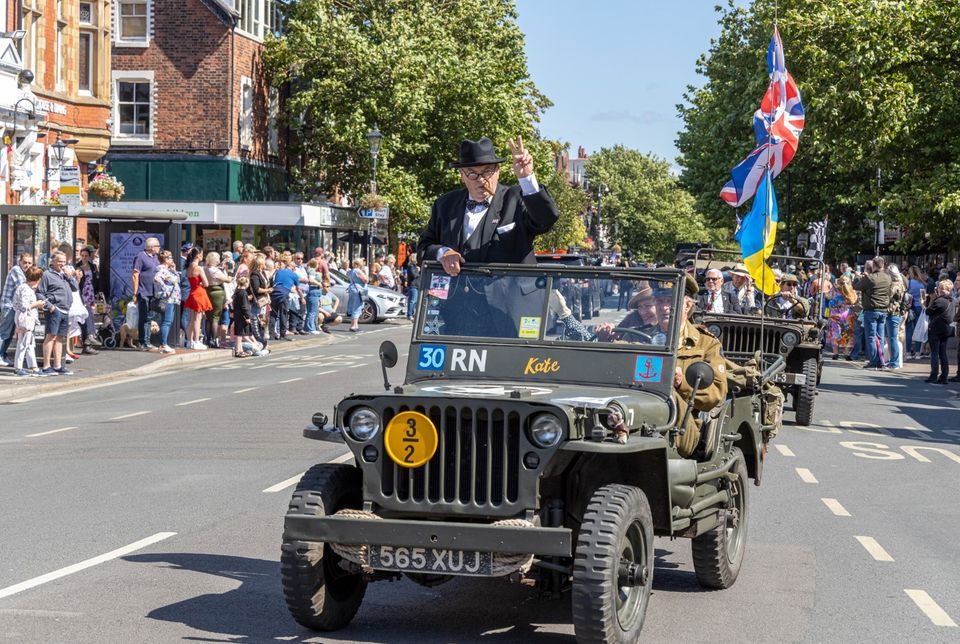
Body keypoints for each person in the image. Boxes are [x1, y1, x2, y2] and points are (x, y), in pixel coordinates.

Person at [418, 136, 559, 275]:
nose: (481, 180)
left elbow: (546, 220)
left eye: (487, 171)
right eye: (472, 174)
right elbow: (423, 248)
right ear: (462, 175)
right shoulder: (445, 205)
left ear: (498, 171)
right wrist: (443, 253)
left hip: (509, 296)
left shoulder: (517, 198)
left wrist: (526, 177)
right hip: (460, 296)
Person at [673, 275, 728, 458]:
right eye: (658, 301)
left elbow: (716, 394)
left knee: (666, 392)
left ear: (687, 306)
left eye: (669, 301)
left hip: (683, 427)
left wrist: (682, 384)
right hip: (634, 418)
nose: (663, 307)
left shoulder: (706, 343)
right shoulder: (641, 336)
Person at [37, 251, 78, 375]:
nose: (62, 264)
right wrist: (50, 307)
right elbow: (39, 292)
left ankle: (58, 365)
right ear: (52, 261)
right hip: (55, 310)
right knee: (51, 336)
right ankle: (46, 366)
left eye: (64, 262)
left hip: (65, 309)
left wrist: (69, 276)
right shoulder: (47, 275)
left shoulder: (64, 274)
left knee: (60, 338)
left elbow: (75, 288)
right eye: (60, 261)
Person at [853, 256, 893, 370]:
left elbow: (856, 287)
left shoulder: (870, 278)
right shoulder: (888, 277)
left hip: (871, 310)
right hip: (883, 310)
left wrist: (857, 277)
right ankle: (880, 361)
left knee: (870, 336)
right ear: (883, 265)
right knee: (879, 337)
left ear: (874, 265)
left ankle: (873, 361)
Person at [1, 253, 34, 366]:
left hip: (15, 307)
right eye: (25, 262)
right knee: (4, 332)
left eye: (29, 263)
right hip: (9, 306)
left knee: (10, 334)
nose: (27, 265)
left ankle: (3, 355)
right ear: (20, 261)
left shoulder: (25, 272)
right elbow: (23, 285)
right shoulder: (16, 270)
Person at [12, 266, 45, 376]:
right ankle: (18, 367)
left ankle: (33, 367)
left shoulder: (24, 287)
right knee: (23, 343)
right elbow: (24, 306)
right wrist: (38, 304)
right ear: (37, 279)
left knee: (30, 343)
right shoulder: (26, 289)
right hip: (25, 318)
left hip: (24, 318)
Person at [131, 237, 162, 351]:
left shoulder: (155, 258)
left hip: (153, 292)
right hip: (143, 291)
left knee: (150, 318)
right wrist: (135, 292)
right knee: (143, 318)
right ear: (151, 247)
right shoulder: (141, 256)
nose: (159, 248)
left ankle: (148, 341)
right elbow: (135, 274)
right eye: (157, 246)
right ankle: (142, 342)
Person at [924, 279, 956, 384]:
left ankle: (933, 375)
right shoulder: (952, 300)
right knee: (943, 353)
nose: (938, 289)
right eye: (938, 287)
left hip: (936, 329)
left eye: (940, 288)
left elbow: (928, 311)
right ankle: (944, 376)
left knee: (934, 353)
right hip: (946, 329)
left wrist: (931, 300)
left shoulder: (940, 301)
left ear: (945, 290)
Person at [182, 247, 212, 350]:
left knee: (191, 319)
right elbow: (206, 283)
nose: (202, 256)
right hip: (199, 293)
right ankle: (196, 341)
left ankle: (190, 341)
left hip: (192, 292)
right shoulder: (199, 268)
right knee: (197, 319)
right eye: (202, 254)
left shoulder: (189, 267)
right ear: (198, 255)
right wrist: (201, 282)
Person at [74, 246, 101, 355]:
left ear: (89, 256)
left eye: (86, 256)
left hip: (90, 292)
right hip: (82, 293)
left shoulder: (93, 266)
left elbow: (96, 280)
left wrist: (97, 294)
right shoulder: (77, 267)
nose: (84, 258)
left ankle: (88, 342)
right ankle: (89, 337)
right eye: (83, 256)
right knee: (86, 315)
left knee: (89, 314)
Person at [270, 256, 303, 341]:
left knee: (273, 314)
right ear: (292, 267)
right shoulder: (294, 275)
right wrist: (302, 298)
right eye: (294, 267)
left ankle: (272, 335)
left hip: (274, 292)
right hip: (284, 294)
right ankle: (282, 335)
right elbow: (298, 289)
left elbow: (273, 280)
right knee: (283, 314)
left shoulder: (279, 271)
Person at [154, 250, 181, 354]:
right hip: (168, 299)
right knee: (167, 321)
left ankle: (163, 343)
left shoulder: (168, 270)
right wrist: (165, 290)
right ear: (165, 259)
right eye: (170, 258)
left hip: (171, 299)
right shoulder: (162, 270)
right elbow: (157, 279)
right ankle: (163, 344)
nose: (172, 259)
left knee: (166, 321)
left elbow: (177, 280)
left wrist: (174, 270)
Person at [202, 251, 231, 348]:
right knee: (215, 317)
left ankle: (208, 338)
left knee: (208, 316)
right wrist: (227, 271)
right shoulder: (215, 271)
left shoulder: (204, 268)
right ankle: (214, 339)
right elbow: (227, 280)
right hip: (217, 292)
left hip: (207, 291)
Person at [884, 265, 907, 370]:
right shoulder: (901, 282)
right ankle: (893, 361)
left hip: (893, 313)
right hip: (894, 313)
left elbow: (887, 297)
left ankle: (895, 362)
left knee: (893, 338)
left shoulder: (895, 285)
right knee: (890, 339)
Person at [249, 254, 271, 349]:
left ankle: (262, 340)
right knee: (256, 320)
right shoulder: (255, 274)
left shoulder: (262, 273)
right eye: (263, 262)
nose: (265, 264)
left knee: (262, 320)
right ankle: (258, 339)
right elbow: (256, 289)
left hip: (263, 300)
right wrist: (267, 290)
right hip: (257, 301)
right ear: (260, 264)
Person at [906, 265, 926, 359]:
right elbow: (923, 297)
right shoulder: (922, 283)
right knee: (918, 329)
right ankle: (918, 352)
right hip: (920, 307)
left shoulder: (909, 283)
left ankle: (908, 352)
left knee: (909, 330)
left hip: (910, 307)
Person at [232, 275, 255, 357]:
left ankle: (241, 349)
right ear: (246, 284)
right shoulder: (244, 293)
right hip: (242, 315)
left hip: (237, 314)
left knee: (240, 333)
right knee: (240, 333)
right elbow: (244, 306)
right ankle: (238, 351)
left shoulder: (237, 292)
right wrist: (248, 317)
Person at [346, 258, 368, 332]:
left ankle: (355, 325)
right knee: (357, 307)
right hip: (358, 290)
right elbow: (365, 280)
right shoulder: (358, 271)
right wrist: (364, 273)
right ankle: (353, 326)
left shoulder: (352, 271)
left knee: (354, 307)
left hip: (353, 289)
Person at [304, 258, 325, 334]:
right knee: (312, 311)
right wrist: (319, 283)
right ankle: (310, 328)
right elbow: (311, 280)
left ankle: (309, 327)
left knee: (314, 311)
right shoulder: (311, 270)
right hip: (314, 290)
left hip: (316, 292)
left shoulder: (312, 270)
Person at [403, 254, 420, 320]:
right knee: (412, 301)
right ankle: (409, 314)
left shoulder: (415, 266)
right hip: (413, 285)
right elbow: (414, 275)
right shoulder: (411, 266)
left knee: (415, 301)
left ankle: (413, 314)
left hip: (416, 285)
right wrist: (418, 271)